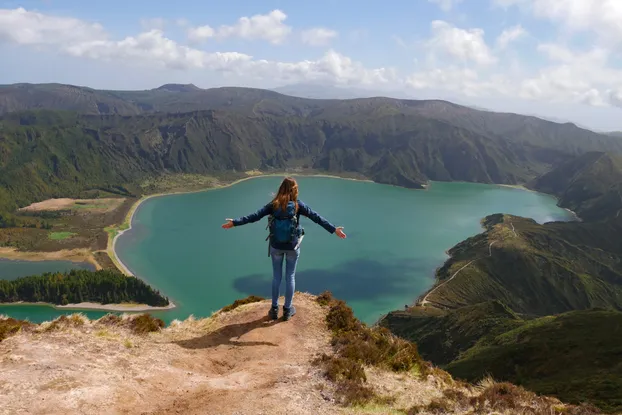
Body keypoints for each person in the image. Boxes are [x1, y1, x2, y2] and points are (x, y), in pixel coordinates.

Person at [222, 177, 346, 321]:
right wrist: (334, 229)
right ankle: (287, 310)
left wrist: (235, 223)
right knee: (290, 276)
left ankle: (274, 309)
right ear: (295, 190)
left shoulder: (273, 205)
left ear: (281, 188)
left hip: (276, 246)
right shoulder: (298, 205)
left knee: (276, 277)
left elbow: (254, 216)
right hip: (292, 246)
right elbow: (316, 218)